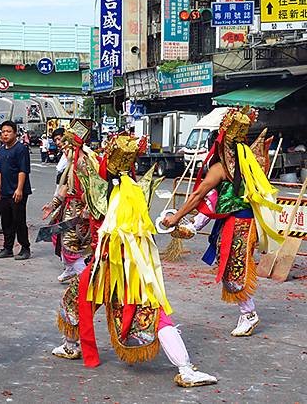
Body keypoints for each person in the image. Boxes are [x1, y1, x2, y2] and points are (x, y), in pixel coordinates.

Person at [52, 133, 217, 388]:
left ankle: (185, 369)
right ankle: (71, 344)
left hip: (112, 265)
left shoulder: (104, 191)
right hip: (123, 265)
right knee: (82, 299)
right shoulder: (134, 189)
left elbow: (98, 222)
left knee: (82, 300)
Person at [162, 107, 283, 337]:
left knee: (232, 268)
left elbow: (199, 195)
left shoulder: (220, 168)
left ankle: (249, 313)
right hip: (244, 223)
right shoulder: (247, 161)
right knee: (230, 264)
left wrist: (176, 218)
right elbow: (216, 199)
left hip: (238, 224)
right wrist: (194, 224)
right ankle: (247, 311)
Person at [41, 123, 94, 283]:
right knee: (59, 239)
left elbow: (92, 190)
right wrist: (53, 205)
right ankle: (71, 270)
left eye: (65, 144)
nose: (62, 148)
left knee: (71, 245)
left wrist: (87, 207)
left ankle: (84, 279)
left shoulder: (83, 162)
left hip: (79, 211)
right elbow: (64, 187)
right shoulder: (71, 163)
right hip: (68, 209)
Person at [0, 120, 32, 260]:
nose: (5, 134)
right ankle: (7, 248)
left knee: (19, 220)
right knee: (6, 221)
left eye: (8, 131)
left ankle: (25, 247)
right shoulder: (2, 149)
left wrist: (19, 189)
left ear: (15, 133)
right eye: (3, 132)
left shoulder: (21, 149)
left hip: (17, 191)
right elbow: (0, 170)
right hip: (4, 191)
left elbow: (23, 170)